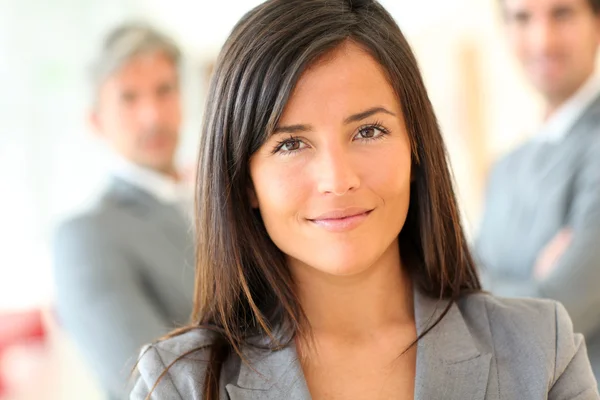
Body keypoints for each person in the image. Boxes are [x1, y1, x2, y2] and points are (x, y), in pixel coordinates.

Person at [131, 0, 599, 398]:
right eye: (291, 143)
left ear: (416, 146)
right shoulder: (182, 383)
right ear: (244, 180)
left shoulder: (543, 351)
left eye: (369, 131)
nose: (339, 179)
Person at [52, 22, 195, 399]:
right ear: (96, 121)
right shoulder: (86, 237)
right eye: (128, 98)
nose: (153, 115)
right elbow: (153, 387)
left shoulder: (223, 198)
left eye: (165, 91)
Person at [475, 0, 600, 381]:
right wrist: (530, 290)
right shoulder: (505, 167)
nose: (542, 40)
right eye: (523, 18)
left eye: (561, 14)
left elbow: (559, 313)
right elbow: (445, 284)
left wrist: (475, 285)